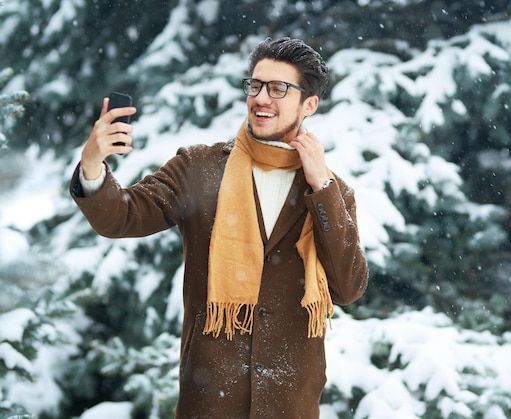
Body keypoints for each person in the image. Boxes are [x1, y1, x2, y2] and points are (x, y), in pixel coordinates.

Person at [70, 37, 368, 417]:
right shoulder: (199, 168)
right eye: (256, 85)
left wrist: (322, 189)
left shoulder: (331, 191)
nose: (262, 98)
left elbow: (348, 287)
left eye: (279, 89)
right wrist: (92, 165)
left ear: (308, 104)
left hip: (289, 405)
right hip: (209, 401)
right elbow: (122, 217)